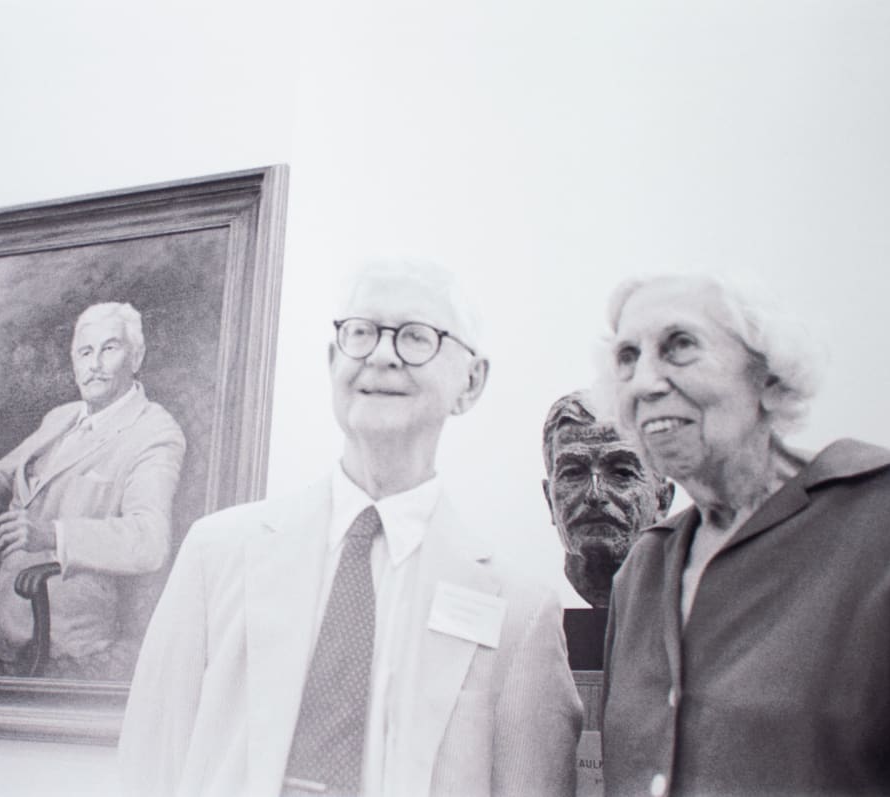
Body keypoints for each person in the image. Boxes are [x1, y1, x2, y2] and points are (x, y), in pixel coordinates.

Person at [119, 261, 583, 797]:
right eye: (361, 333)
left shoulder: (520, 613)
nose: (382, 355)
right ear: (333, 360)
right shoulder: (216, 554)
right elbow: (146, 769)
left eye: (416, 337)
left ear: (471, 382)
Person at [599, 274, 890, 796]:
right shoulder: (643, 569)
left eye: (679, 346)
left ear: (768, 377)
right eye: (627, 357)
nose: (645, 382)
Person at [0, 301, 186, 675]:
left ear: (137, 356)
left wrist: (50, 533)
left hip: (48, 595)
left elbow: (150, 540)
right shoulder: (62, 417)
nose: (94, 364)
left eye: (109, 349)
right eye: (84, 352)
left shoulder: (155, 433)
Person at [541, 391, 673, 610]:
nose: (595, 494)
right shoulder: (533, 609)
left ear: (663, 499)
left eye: (622, 472)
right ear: (549, 500)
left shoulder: (703, 604)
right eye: (573, 472)